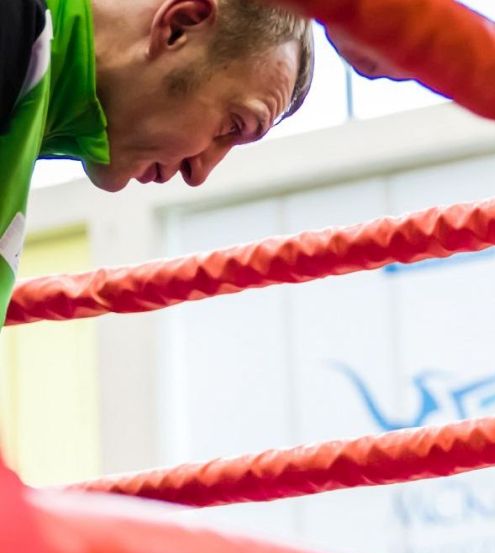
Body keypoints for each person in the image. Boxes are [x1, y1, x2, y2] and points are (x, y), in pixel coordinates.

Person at [0, 0, 314, 324]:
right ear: (178, 27)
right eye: (234, 125)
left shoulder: (30, 97)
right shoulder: (15, 28)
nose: (199, 173)